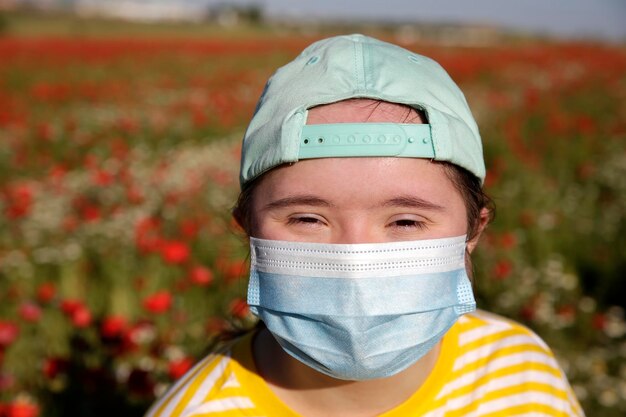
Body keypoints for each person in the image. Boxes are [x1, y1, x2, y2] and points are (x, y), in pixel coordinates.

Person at [145, 34, 584, 417]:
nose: (355, 263)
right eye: (307, 218)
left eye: (406, 221)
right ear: (248, 227)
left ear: (473, 231)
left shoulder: (522, 375)